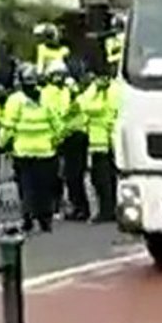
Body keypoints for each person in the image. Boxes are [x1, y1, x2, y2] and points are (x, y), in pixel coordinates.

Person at [0, 65, 62, 233]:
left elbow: (8, 125)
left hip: (23, 151)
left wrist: (0, 143)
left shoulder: (15, 100)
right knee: (44, 188)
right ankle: (45, 220)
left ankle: (28, 218)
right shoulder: (46, 98)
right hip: (45, 151)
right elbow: (57, 125)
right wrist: (55, 142)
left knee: (26, 187)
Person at [42, 62, 90, 221]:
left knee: (73, 175)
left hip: (72, 136)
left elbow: (59, 115)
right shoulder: (58, 91)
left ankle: (80, 208)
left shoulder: (65, 91)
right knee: (69, 175)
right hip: (68, 136)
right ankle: (76, 206)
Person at [80, 70, 120, 223]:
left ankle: (107, 211)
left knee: (103, 181)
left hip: (103, 142)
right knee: (104, 180)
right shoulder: (110, 88)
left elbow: (90, 107)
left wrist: (95, 90)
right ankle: (110, 209)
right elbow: (84, 105)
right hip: (104, 142)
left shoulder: (111, 90)